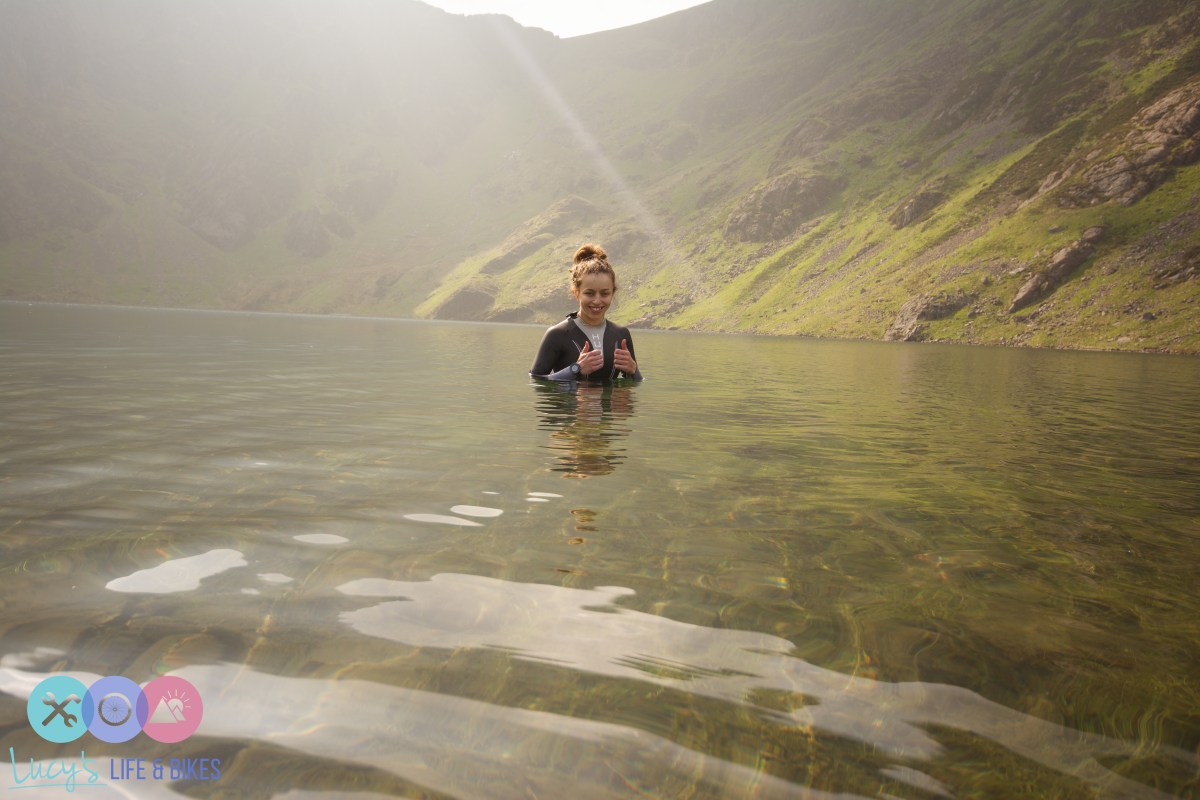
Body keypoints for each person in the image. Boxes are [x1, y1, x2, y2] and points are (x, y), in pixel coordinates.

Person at [529, 244, 643, 382]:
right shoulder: (557, 334)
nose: (597, 300)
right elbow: (536, 381)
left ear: (612, 293)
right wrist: (575, 369)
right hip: (569, 403)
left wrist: (633, 370)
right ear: (576, 293)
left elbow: (636, 382)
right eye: (589, 293)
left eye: (604, 293)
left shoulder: (621, 335)